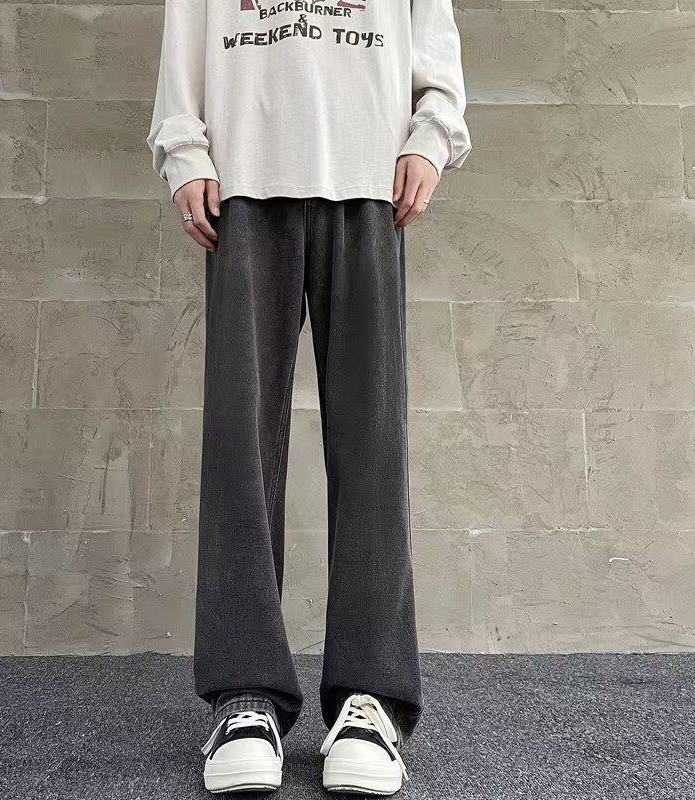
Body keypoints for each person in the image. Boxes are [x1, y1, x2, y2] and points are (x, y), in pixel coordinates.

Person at [148, 0, 470, 794]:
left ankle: (371, 699)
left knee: (373, 445)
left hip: (368, 179)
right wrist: (184, 149)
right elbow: (185, 33)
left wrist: (429, 138)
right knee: (239, 447)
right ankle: (245, 695)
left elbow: (435, 43)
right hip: (242, 182)